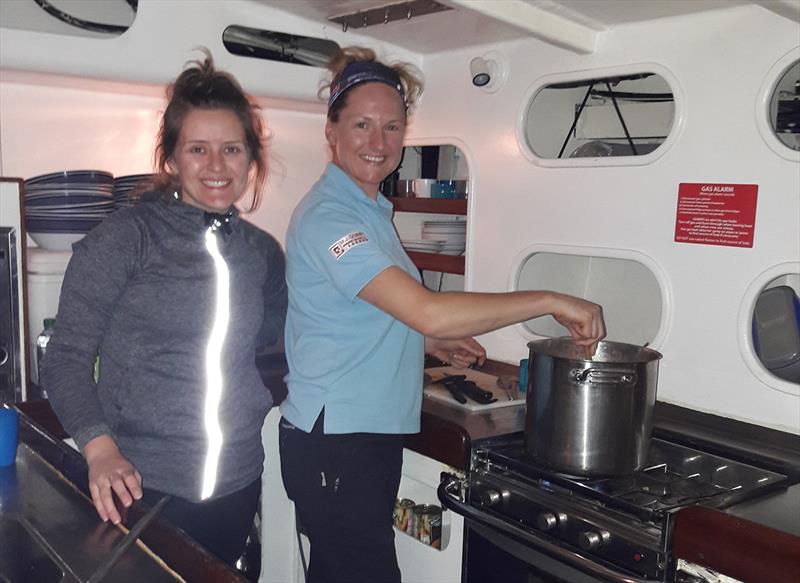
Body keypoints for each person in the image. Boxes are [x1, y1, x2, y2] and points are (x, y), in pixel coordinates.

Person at [279, 46, 606, 583]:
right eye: (361, 124)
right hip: (336, 441)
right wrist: (549, 299)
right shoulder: (330, 218)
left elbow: (366, 311)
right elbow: (426, 310)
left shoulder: (369, 210)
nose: (378, 142)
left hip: (358, 436)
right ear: (331, 131)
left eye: (391, 127)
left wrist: (426, 345)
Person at [41, 54, 287, 566]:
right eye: (198, 149)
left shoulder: (261, 252)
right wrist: (100, 448)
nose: (216, 166)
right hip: (139, 484)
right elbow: (65, 358)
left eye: (231, 149)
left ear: (250, 160)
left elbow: (280, 341)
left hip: (237, 481)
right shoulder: (127, 239)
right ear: (172, 159)